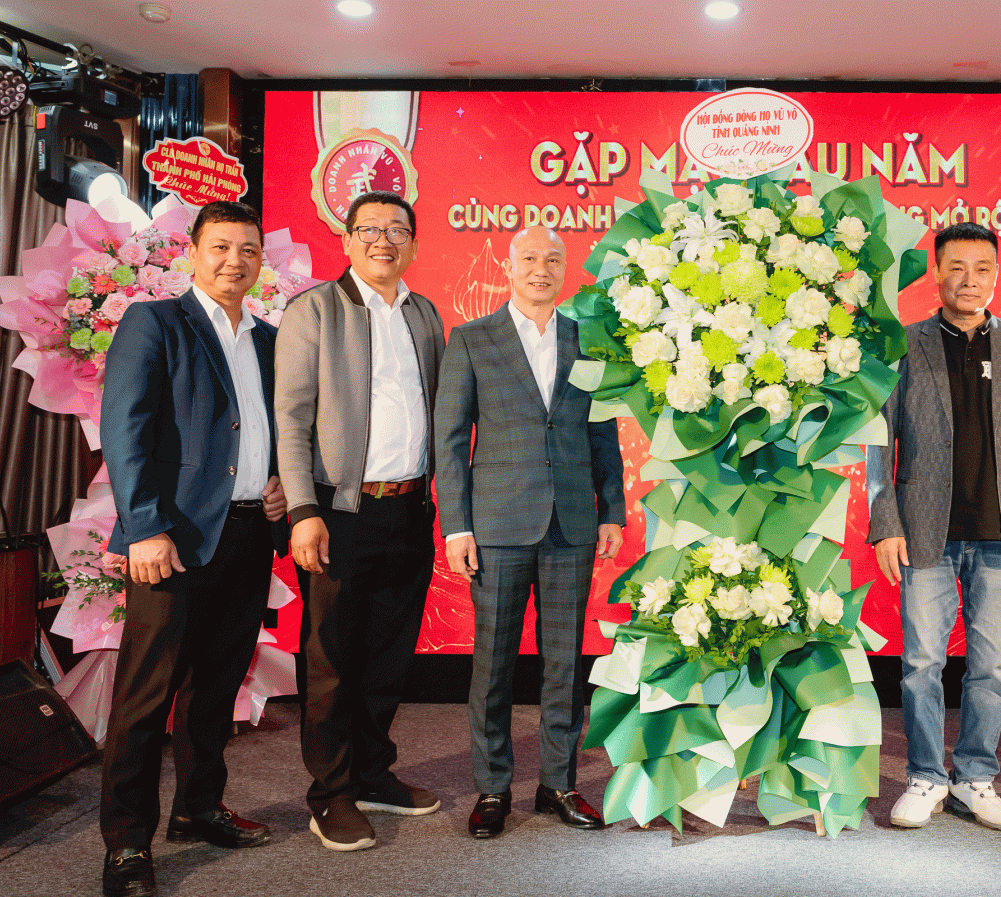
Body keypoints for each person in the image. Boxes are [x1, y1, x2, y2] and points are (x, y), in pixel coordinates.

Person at [98, 201, 288, 897]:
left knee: (216, 686)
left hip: (248, 534)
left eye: (248, 249)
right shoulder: (156, 322)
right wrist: (143, 527)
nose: (236, 260)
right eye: (221, 247)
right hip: (171, 539)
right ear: (193, 252)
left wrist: (280, 485)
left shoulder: (269, 338)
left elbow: (267, 429)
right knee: (146, 695)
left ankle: (198, 807)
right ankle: (126, 843)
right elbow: (125, 428)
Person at [867, 221, 1001, 832]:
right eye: (956, 267)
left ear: (996, 275)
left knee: (992, 667)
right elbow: (879, 442)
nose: (969, 280)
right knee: (921, 664)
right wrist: (885, 522)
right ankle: (924, 776)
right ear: (937, 273)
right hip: (925, 532)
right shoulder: (905, 344)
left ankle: (975, 778)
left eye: (981, 268)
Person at [434, 225, 626, 839]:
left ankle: (557, 784)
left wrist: (612, 510)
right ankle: (493, 787)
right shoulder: (471, 339)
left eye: (553, 259)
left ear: (565, 269)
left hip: (572, 522)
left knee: (564, 661)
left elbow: (603, 432)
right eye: (529, 258)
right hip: (496, 524)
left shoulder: (587, 341)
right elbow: (450, 442)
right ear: (509, 265)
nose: (541, 269)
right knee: (492, 662)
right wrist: (457, 526)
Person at [275, 190, 446, 851]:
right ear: (346, 241)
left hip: (409, 508)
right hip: (338, 513)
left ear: (414, 245)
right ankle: (331, 792)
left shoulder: (424, 314)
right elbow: (291, 418)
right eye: (369, 229)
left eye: (398, 230)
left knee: (388, 656)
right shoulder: (315, 309)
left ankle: (373, 773)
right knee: (332, 659)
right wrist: (303, 510)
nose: (384, 240)